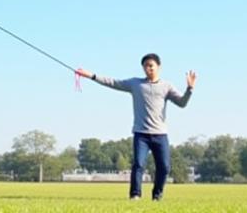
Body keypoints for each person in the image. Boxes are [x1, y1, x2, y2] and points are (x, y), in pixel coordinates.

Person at [77, 54, 195, 201]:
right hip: (141, 134)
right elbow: (113, 82)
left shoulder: (167, 86)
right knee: (138, 164)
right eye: (145, 66)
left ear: (158, 67)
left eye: (151, 65)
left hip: (160, 134)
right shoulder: (136, 84)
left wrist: (189, 89)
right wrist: (90, 75)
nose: (148, 68)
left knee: (164, 168)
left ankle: (157, 195)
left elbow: (182, 103)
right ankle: (135, 195)